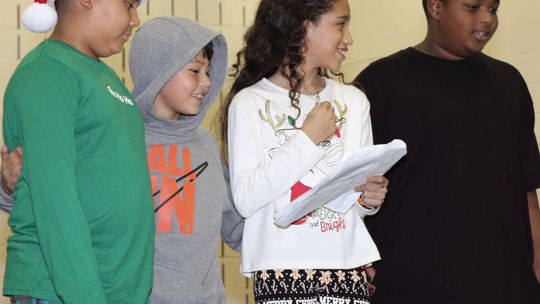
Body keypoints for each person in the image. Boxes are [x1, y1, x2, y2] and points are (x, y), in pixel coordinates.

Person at [1, 16, 244, 303]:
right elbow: (51, 198)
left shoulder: (206, 146)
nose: (206, 82)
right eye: (194, 70)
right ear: (159, 71)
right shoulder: (115, 130)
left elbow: (238, 227)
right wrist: (6, 187)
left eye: (208, 72)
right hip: (119, 293)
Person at [354, 0, 540, 303]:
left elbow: (526, 185)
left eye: (493, 9)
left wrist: (537, 260)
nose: (486, 20)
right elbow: (353, 188)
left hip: (502, 280)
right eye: (472, 7)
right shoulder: (379, 83)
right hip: (410, 282)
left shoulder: (509, 83)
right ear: (436, 7)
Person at [219, 0, 388, 303]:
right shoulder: (249, 103)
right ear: (303, 26)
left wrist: (368, 198)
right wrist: (307, 140)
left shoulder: (354, 101)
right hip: (279, 270)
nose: (349, 38)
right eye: (340, 24)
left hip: (346, 268)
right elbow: (245, 200)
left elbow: (355, 205)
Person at [1, 0, 155, 303]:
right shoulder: (48, 73)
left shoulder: (108, 79)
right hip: (63, 291)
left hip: (114, 289)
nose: (135, 20)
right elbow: (55, 201)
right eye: (129, 5)